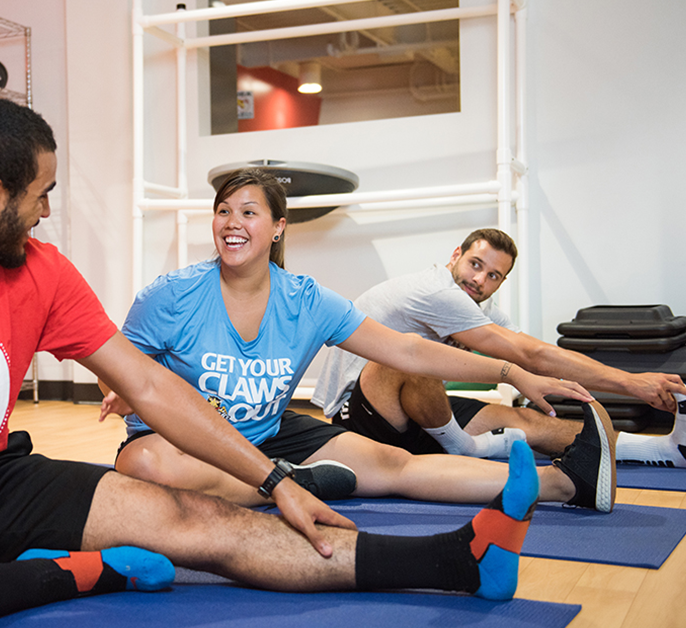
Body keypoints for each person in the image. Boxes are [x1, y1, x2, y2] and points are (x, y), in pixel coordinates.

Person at [0, 99, 548, 628]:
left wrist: (275, 477)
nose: (48, 209)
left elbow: (145, 384)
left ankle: (452, 561)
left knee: (189, 517)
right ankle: (69, 575)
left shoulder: (42, 272)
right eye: (40, 194)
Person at [101, 168, 617, 516]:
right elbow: (118, 363)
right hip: (183, 444)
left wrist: (511, 372)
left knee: (396, 466)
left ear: (278, 228)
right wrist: (122, 384)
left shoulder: (307, 300)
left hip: (268, 433)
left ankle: (563, 485)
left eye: (249, 212)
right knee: (141, 468)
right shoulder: (171, 294)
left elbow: (408, 351)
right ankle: (294, 482)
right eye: (224, 211)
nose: (233, 223)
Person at [312, 228, 686, 465]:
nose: (479, 279)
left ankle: (664, 450)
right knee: (413, 353)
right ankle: (460, 447)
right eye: (475, 264)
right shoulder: (434, 290)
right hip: (359, 412)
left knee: (529, 421)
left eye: (493, 275)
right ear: (455, 255)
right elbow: (527, 358)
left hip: (418, 409)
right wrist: (632, 384)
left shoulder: (480, 307)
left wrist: (631, 382)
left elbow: (536, 353)